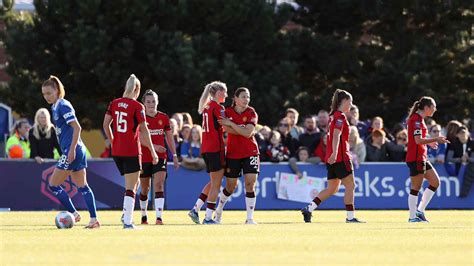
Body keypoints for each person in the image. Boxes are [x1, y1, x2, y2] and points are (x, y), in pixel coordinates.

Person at [41, 75, 100, 229]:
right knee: (83, 187)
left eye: (49, 93)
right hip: (75, 150)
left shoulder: (63, 105)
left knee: (53, 184)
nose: (46, 97)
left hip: (72, 150)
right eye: (44, 94)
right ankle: (93, 220)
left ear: (57, 91)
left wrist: (71, 149)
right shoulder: (54, 107)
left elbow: (77, 127)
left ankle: (74, 213)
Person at [103, 74, 159, 229]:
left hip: (117, 151)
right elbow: (144, 130)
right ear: (137, 89)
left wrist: (113, 141)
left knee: (135, 183)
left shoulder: (114, 103)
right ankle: (127, 221)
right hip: (131, 150)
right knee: (131, 187)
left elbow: (106, 125)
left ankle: (125, 213)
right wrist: (153, 152)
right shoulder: (137, 106)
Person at [301, 89, 364, 223]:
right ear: (345, 101)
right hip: (340, 157)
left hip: (332, 158)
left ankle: (309, 208)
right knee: (351, 186)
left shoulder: (334, 116)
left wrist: (332, 154)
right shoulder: (340, 117)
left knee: (332, 188)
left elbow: (333, 135)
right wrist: (335, 153)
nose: (351, 105)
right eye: (350, 102)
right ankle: (350, 217)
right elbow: (336, 135)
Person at [214, 87, 260, 224]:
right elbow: (225, 128)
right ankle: (219, 211)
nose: (246, 99)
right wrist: (241, 128)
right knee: (230, 187)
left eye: (248, 97)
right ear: (235, 98)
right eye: (243, 97)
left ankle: (250, 218)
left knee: (250, 184)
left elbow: (248, 133)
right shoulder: (226, 112)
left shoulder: (251, 112)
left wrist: (232, 124)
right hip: (233, 153)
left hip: (250, 151)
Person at [187, 81, 227, 224]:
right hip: (215, 148)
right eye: (224, 92)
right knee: (216, 184)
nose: (226, 95)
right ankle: (208, 217)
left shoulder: (206, 107)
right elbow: (225, 125)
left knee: (213, 182)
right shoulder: (217, 107)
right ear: (218, 93)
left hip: (207, 148)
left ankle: (196, 209)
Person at [137, 89, 179, 225]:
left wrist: (175, 155)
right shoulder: (139, 118)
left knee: (159, 184)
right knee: (145, 188)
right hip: (144, 157)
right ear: (143, 103)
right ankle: (143, 215)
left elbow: (169, 137)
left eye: (153, 101)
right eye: (148, 101)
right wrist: (154, 147)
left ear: (157, 102)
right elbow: (139, 138)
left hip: (161, 156)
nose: (151, 104)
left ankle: (159, 217)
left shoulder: (164, 118)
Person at [405, 96, 449, 222]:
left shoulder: (419, 120)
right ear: (426, 107)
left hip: (421, 157)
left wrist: (428, 143)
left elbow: (419, 139)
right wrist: (435, 139)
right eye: (433, 107)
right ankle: (412, 217)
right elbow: (418, 140)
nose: (435, 109)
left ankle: (419, 211)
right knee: (416, 187)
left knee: (435, 182)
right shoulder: (416, 120)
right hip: (416, 158)